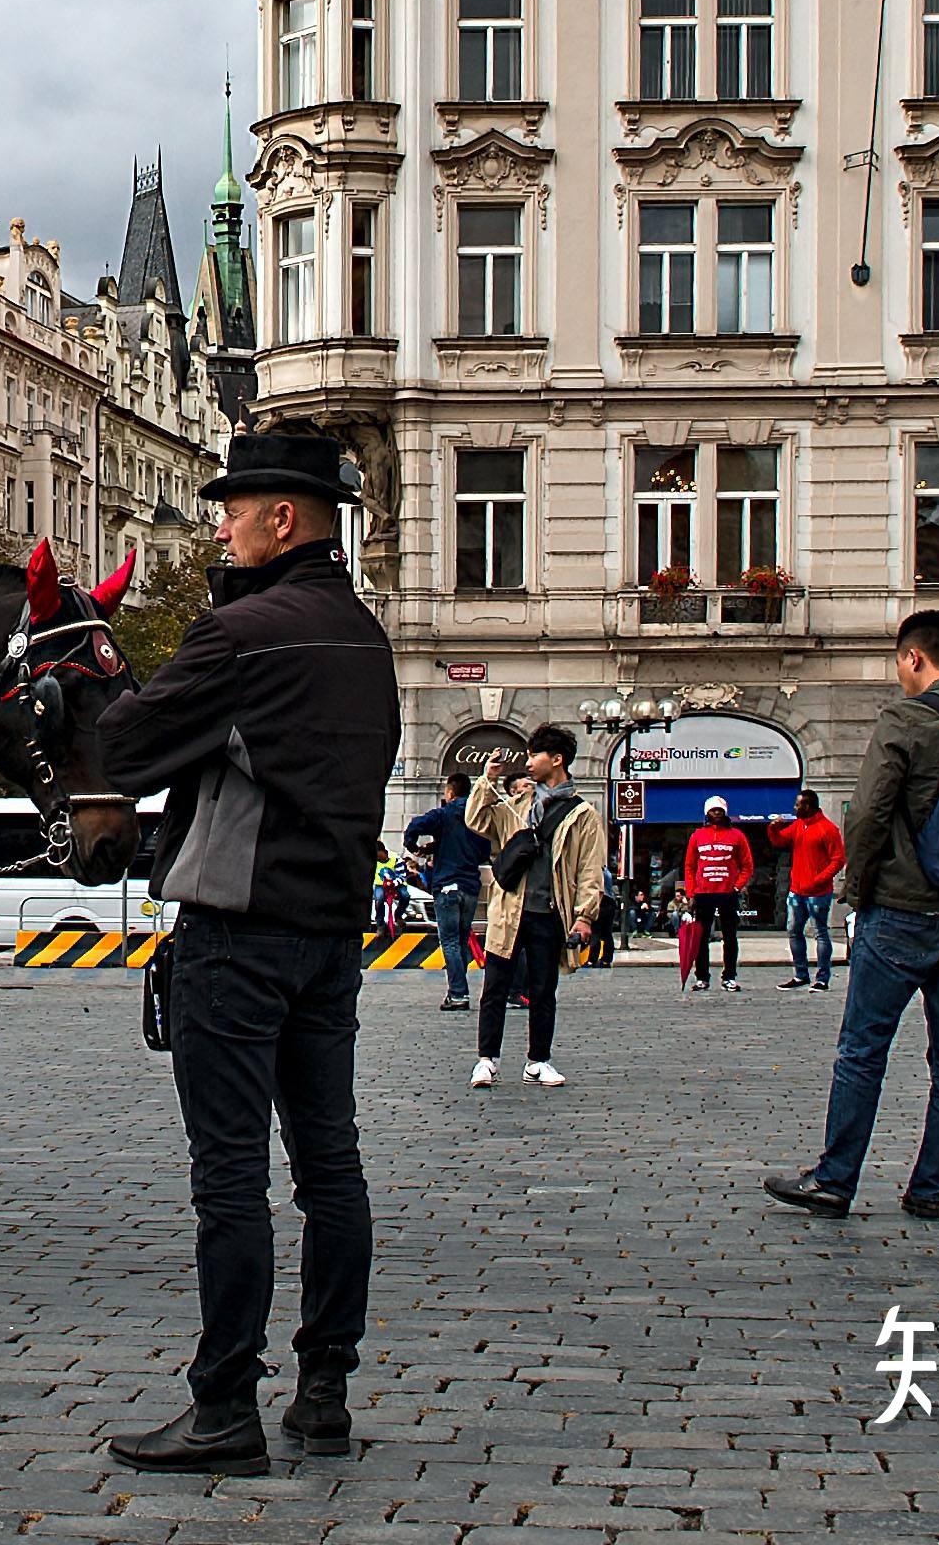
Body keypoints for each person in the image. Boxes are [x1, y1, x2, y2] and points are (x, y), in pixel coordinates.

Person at [92, 431, 399, 1475]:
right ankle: (323, 1391)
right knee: (330, 1167)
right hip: (329, 936)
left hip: (236, 929)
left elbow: (123, 747)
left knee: (228, 1177)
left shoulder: (242, 632)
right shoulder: (364, 637)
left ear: (282, 519)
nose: (218, 522)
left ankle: (223, 1403)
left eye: (233, 508)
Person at [763, 609, 939, 1222]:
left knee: (864, 1048)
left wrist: (857, 891)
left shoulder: (908, 720)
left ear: (914, 658)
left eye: (900, 662)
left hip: (899, 910)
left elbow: (867, 815)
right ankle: (930, 1188)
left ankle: (836, 1180)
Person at [464, 725, 604, 1090]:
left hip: (549, 913)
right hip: (509, 911)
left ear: (556, 760)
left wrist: (585, 916)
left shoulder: (582, 814)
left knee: (543, 990)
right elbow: (477, 821)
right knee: (494, 987)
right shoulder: (519, 805)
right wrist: (487, 780)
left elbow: (590, 868)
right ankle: (486, 1060)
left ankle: (538, 1060)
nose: (528, 762)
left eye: (534, 755)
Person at [401, 772, 491, 1012]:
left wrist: (414, 847)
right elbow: (486, 849)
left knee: (449, 941)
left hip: (447, 884)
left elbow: (415, 826)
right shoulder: (476, 816)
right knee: (462, 940)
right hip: (470, 886)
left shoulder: (444, 813)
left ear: (450, 793)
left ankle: (458, 993)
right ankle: (460, 989)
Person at [677, 797, 753, 991]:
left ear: (725, 812)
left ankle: (729, 976)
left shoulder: (737, 836)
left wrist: (737, 886)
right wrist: (692, 892)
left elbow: (747, 865)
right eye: (713, 810)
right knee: (701, 938)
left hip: (727, 892)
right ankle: (702, 977)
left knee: (730, 936)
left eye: (720, 810)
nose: (717, 813)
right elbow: (689, 866)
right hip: (703, 893)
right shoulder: (697, 836)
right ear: (706, 813)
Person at [775, 792, 843, 991]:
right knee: (794, 931)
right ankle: (800, 974)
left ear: (808, 806)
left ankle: (822, 978)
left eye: (798, 805)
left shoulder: (828, 829)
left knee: (820, 932)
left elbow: (838, 859)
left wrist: (819, 879)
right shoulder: (798, 826)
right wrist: (774, 829)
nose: (794, 808)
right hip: (797, 890)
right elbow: (780, 842)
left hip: (817, 892)